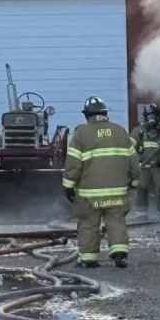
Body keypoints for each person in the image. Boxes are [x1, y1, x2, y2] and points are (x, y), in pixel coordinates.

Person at [62, 96, 139, 268]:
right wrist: (134, 182)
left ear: (87, 115)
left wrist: (68, 185)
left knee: (89, 224)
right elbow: (134, 162)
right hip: (118, 193)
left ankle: (89, 259)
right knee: (116, 221)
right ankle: (120, 253)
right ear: (105, 113)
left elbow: (73, 164)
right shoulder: (120, 131)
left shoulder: (81, 133)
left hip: (89, 195)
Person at [129, 103, 160, 217]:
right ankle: (141, 211)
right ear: (144, 117)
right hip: (143, 166)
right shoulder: (137, 131)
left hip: (159, 165)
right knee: (142, 187)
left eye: (154, 115)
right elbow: (129, 147)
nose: (152, 118)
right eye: (149, 115)